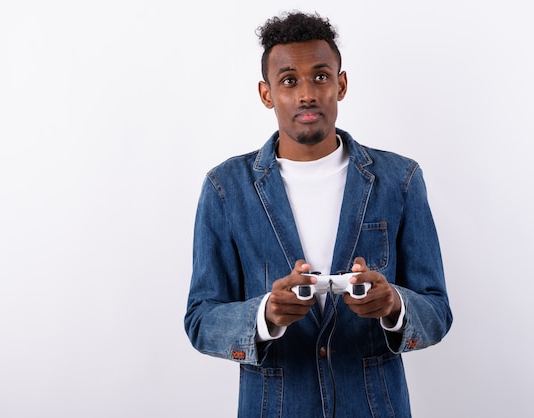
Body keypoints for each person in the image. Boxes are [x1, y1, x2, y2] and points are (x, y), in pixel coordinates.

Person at [184, 11, 452, 418]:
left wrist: (393, 304)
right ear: (266, 93)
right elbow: (201, 320)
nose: (307, 93)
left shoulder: (400, 179)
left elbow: (436, 310)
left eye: (321, 76)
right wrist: (266, 315)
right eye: (289, 80)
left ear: (340, 84)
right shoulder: (226, 188)